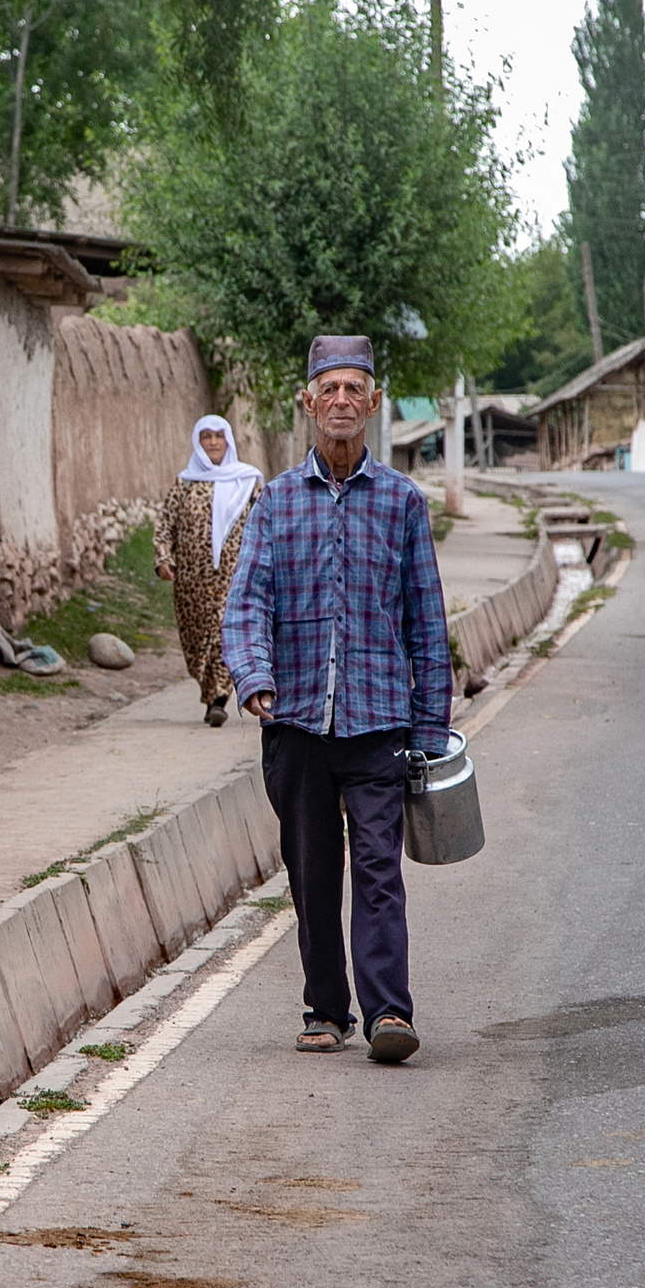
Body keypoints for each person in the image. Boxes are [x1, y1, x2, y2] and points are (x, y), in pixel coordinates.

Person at [221, 335, 451, 1064]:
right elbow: (245, 602)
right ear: (309, 401)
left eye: (357, 389)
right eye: (332, 389)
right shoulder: (276, 503)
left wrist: (432, 725)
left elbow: (427, 619)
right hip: (295, 726)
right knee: (314, 871)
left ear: (375, 404)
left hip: (379, 720)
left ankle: (388, 1012)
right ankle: (326, 1007)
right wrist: (253, 675)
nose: (343, 401)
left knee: (379, 869)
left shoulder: (403, 503)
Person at [154, 414, 264, 727]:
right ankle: (207, 687)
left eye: (219, 436)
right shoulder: (185, 482)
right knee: (195, 637)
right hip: (190, 581)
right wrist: (163, 558)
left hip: (234, 576)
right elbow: (165, 525)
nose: (214, 442)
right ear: (198, 442)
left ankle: (218, 698)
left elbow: (264, 525)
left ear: (228, 440)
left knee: (223, 634)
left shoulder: (248, 481)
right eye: (207, 436)